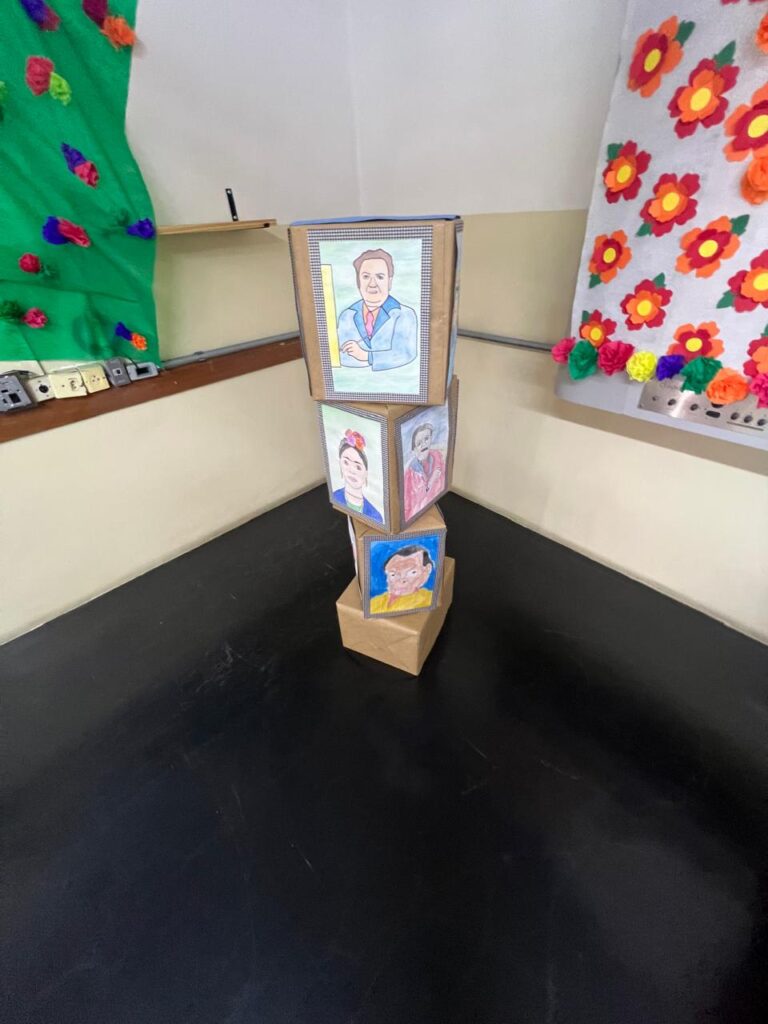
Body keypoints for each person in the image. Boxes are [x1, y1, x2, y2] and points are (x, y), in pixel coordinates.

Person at [337, 249, 418, 371]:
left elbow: (404, 354)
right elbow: (342, 357)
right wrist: (383, 358)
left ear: (389, 282)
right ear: (358, 281)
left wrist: (366, 356)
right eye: (366, 277)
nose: (372, 284)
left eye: (380, 277)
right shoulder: (347, 316)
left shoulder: (404, 314)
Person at [331, 429, 383, 523]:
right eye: (346, 462)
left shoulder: (375, 516)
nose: (351, 471)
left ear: (366, 473)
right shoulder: (335, 497)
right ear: (340, 464)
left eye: (358, 467)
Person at [370, 544, 434, 614]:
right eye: (393, 574)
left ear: (426, 571)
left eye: (412, 572)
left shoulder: (429, 599)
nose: (401, 580)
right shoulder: (375, 602)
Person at [403, 423, 445, 521]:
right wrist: (432, 481)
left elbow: (441, 485)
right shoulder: (411, 473)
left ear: (431, 439)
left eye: (426, 438)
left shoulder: (438, 458)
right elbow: (415, 503)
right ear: (414, 450)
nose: (424, 444)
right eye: (419, 443)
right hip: (414, 515)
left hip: (434, 505)